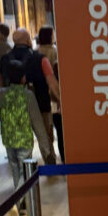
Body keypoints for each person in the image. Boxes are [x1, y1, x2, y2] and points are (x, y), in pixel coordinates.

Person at [0, 59, 52, 216]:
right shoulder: (28, 96)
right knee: (25, 173)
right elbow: (38, 124)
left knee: (16, 171)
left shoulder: (2, 94)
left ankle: (21, 203)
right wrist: (46, 148)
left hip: (9, 140)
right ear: (23, 78)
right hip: (24, 140)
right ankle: (17, 203)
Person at [0, 28, 59, 164]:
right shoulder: (41, 59)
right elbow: (51, 82)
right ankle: (49, 161)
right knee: (45, 135)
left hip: (15, 108)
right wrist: (60, 100)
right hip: (41, 104)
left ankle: (24, 168)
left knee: (21, 141)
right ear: (28, 40)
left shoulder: (3, 60)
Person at [37, 25, 64, 162]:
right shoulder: (55, 51)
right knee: (59, 129)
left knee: (45, 129)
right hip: (54, 94)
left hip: (40, 94)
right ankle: (62, 157)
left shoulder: (36, 52)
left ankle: (50, 156)